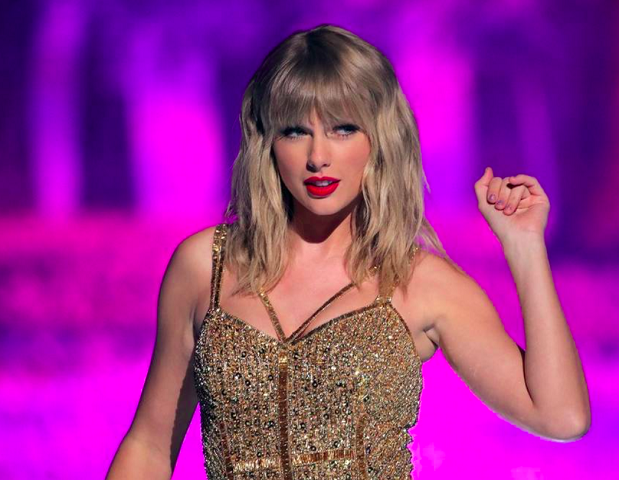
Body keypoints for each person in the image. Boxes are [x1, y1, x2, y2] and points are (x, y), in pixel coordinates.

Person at [106, 24, 590, 479]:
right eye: (296, 130)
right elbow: (149, 446)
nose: (318, 156)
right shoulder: (204, 267)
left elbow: (562, 416)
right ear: (267, 143)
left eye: (342, 129)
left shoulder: (419, 283)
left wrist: (525, 248)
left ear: (380, 139)